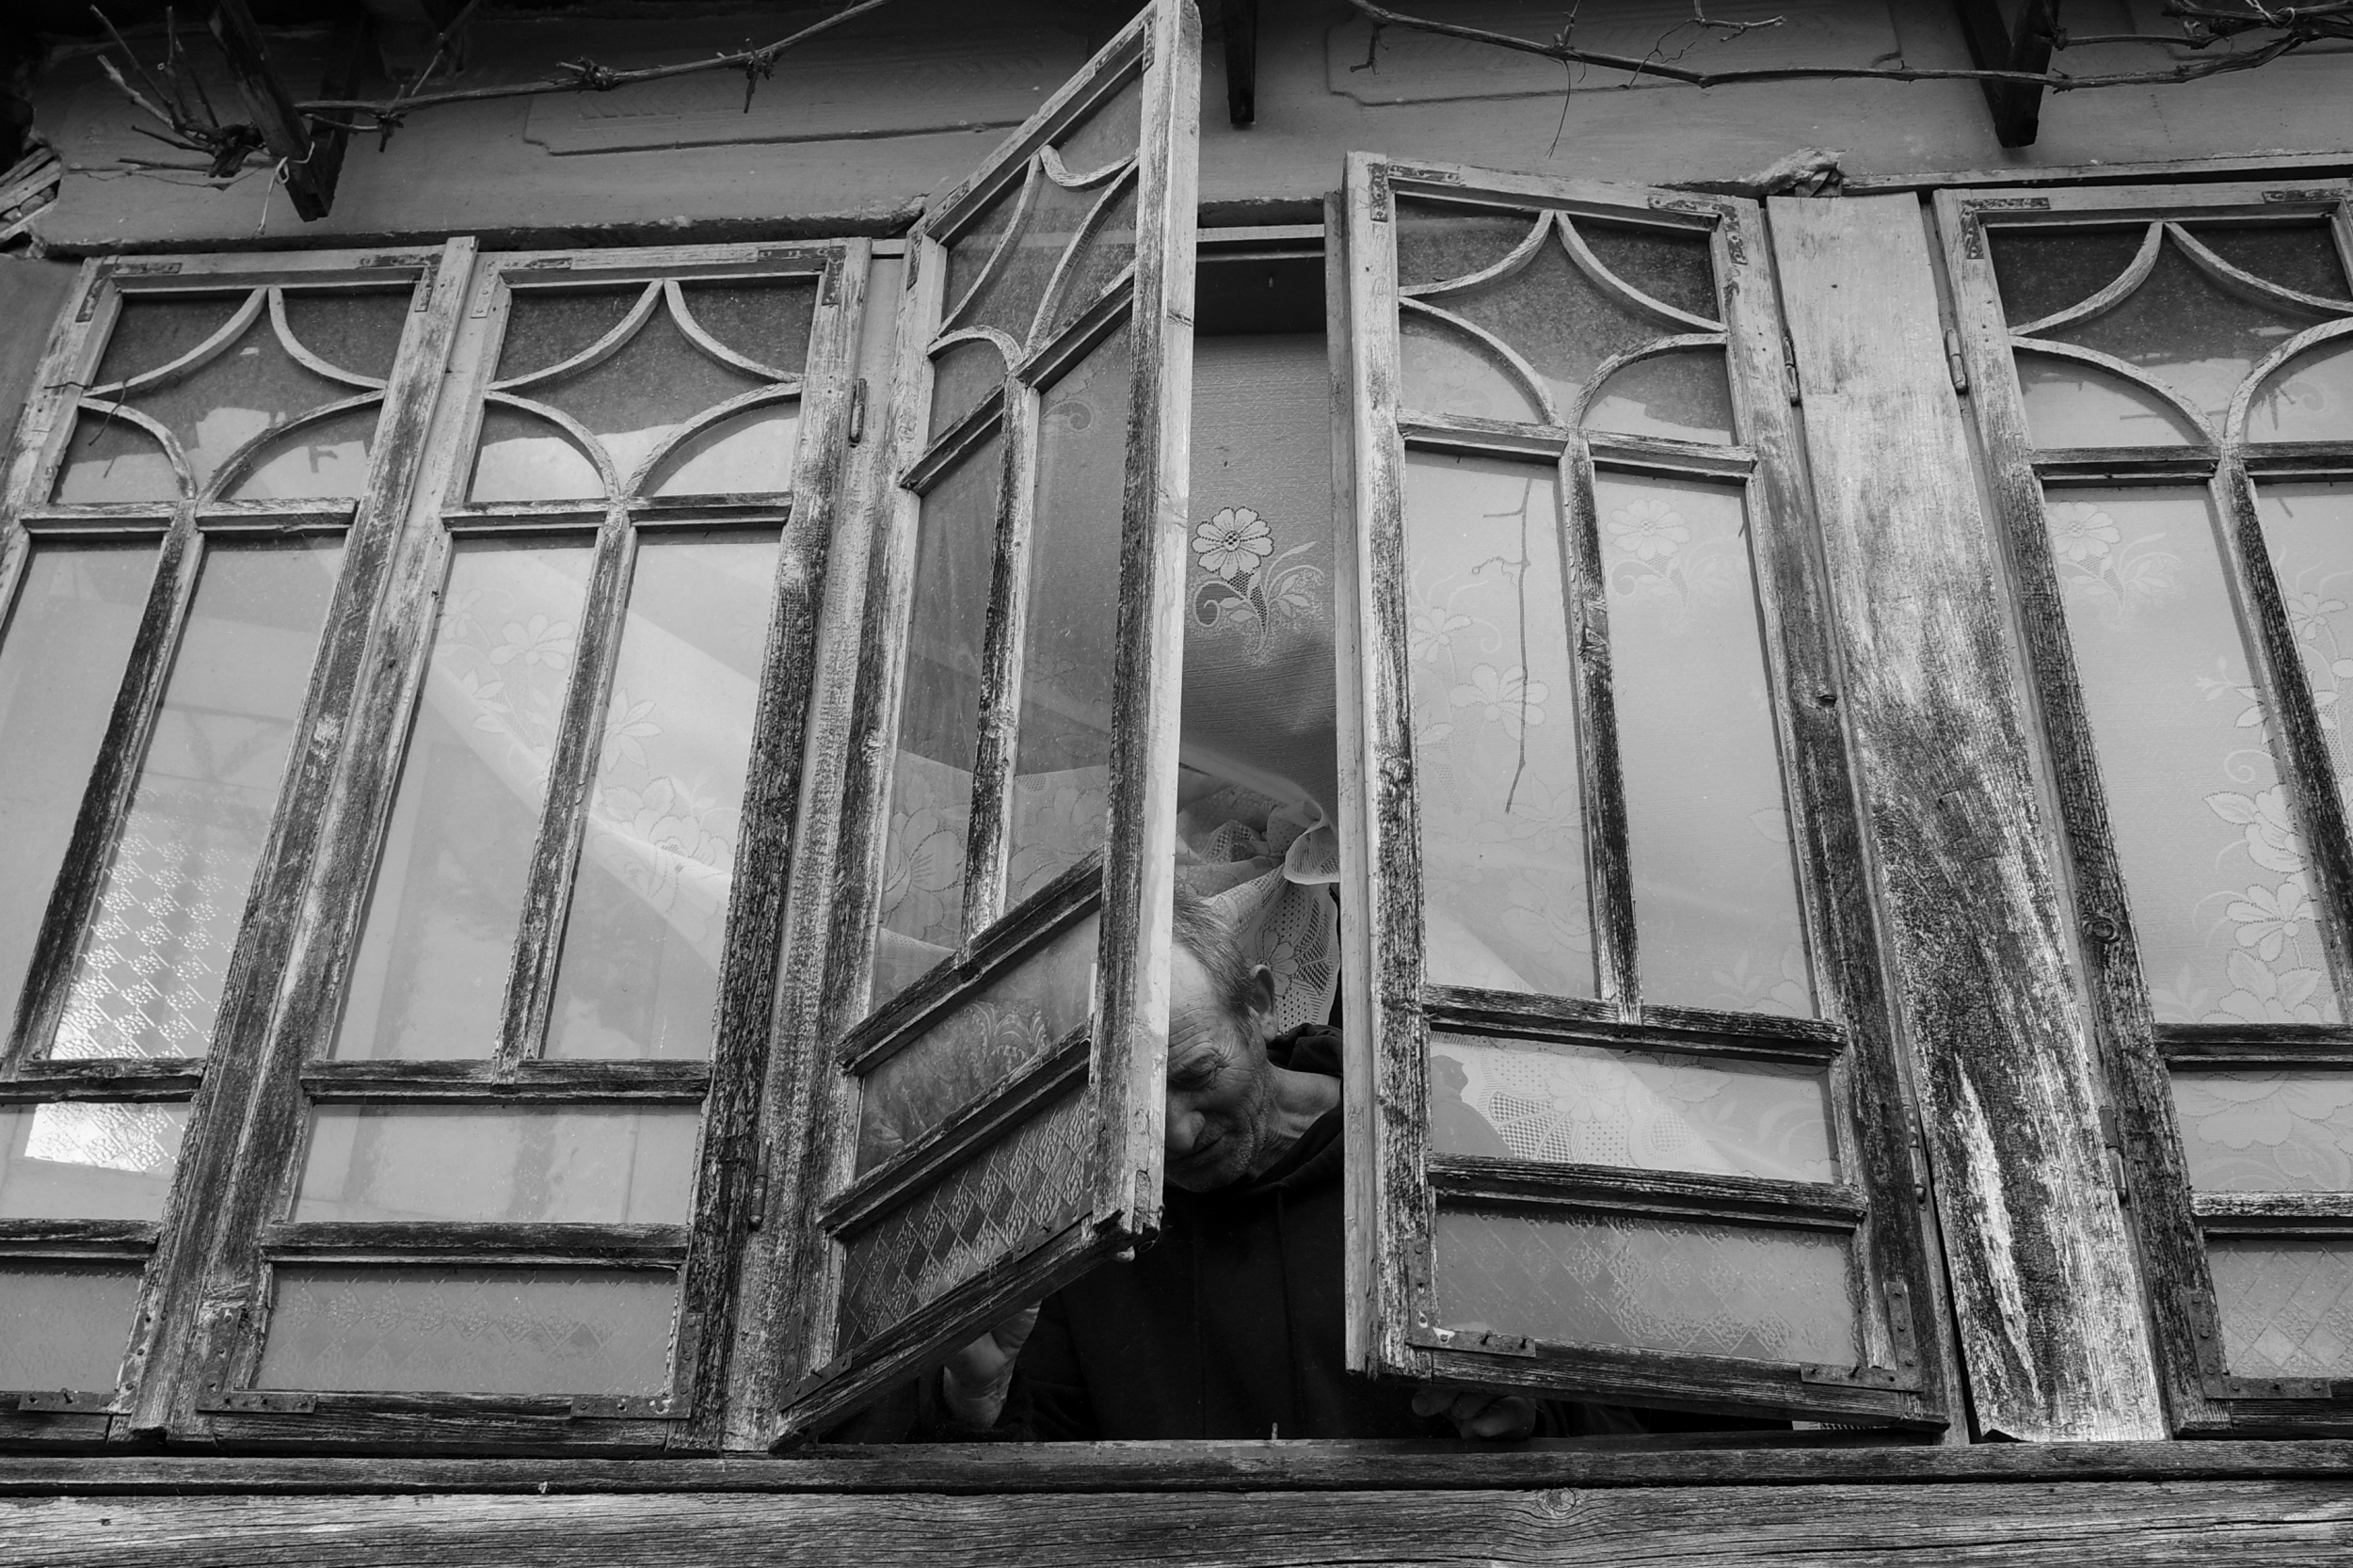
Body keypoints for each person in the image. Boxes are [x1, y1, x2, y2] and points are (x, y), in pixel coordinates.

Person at [932, 887, 1623, 1442]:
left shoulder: (1434, 1150)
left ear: (1258, 1006)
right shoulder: (1080, 1228)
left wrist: (1526, 1412)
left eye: (1197, 1073)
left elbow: (1621, 1416)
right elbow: (1035, 1503)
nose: (1176, 1136)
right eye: (1124, 1106)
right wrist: (976, 1402)